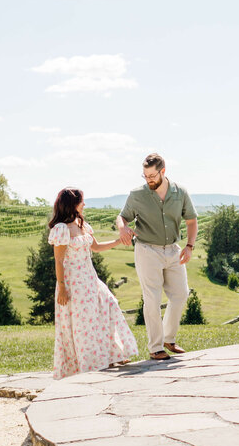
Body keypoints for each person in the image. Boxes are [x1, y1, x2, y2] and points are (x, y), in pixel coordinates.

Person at [48, 187, 137, 379]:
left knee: (109, 306)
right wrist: (62, 287)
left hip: (90, 279)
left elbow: (95, 247)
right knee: (83, 324)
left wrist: (119, 241)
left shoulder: (82, 226)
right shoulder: (62, 229)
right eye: (82, 201)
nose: (84, 204)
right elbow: (59, 260)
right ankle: (87, 364)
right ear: (73, 204)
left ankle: (114, 353)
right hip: (73, 284)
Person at [116, 153, 198, 361]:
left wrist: (189, 246)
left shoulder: (180, 193)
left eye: (152, 176)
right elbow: (122, 217)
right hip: (147, 250)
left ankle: (169, 338)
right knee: (152, 298)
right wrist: (122, 228)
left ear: (163, 171)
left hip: (172, 249)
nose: (148, 180)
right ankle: (155, 347)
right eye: (145, 176)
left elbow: (191, 221)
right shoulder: (137, 194)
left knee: (180, 294)